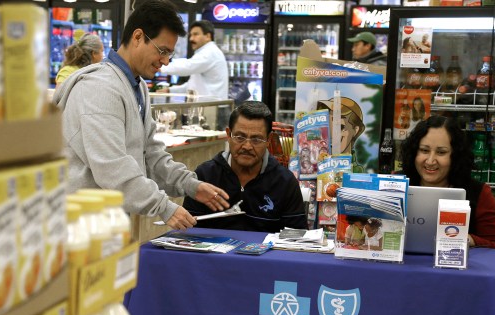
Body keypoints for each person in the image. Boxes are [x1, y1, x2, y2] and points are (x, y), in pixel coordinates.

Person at [52, 0, 229, 230]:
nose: (165, 61)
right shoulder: (99, 88)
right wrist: (164, 207)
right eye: (162, 51)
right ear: (137, 37)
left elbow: (151, 154)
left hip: (109, 224)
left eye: (170, 54)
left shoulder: (137, 86)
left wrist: (191, 185)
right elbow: (112, 168)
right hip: (80, 229)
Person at [182, 101, 307, 232]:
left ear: (269, 140)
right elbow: (187, 231)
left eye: (256, 139)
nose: (247, 146)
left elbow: (297, 238)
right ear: (228, 135)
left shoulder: (284, 182)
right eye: (240, 137)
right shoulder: (205, 176)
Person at [401, 115, 495, 258]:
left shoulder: (479, 192)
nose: (430, 160)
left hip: (456, 275)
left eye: (441, 152)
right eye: (424, 150)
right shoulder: (396, 183)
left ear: (455, 156)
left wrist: (470, 240)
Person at [158, 20, 228, 99]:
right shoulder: (204, 53)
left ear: (208, 36)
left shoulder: (210, 52)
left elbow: (188, 67)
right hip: (207, 107)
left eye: (196, 34)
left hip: (214, 109)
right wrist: (170, 90)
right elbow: (192, 85)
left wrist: (160, 66)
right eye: (191, 35)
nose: (191, 39)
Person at [316, 97, 365, 169]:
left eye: (339, 126)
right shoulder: (315, 166)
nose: (330, 133)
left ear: (355, 130)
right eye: (326, 125)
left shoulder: (357, 172)